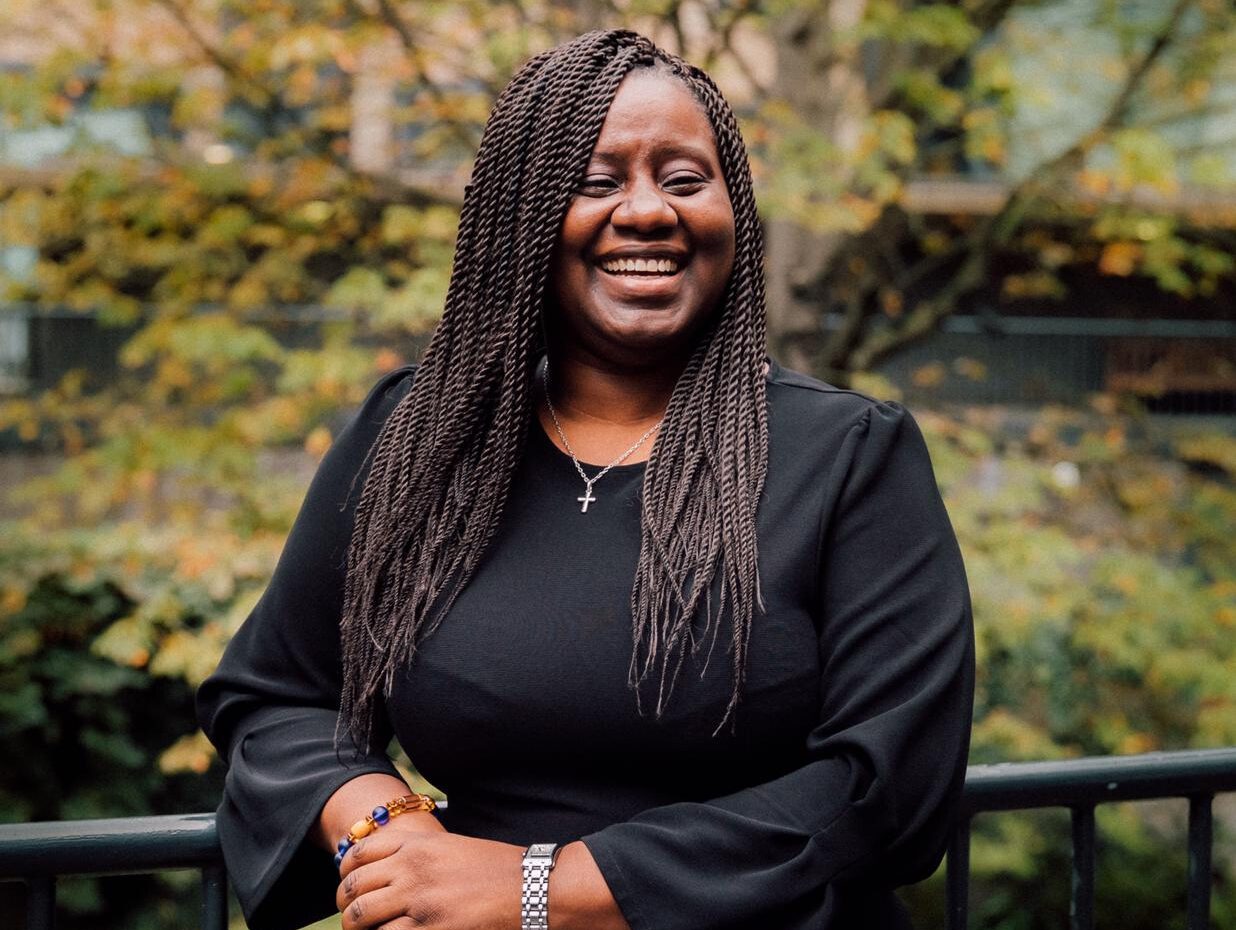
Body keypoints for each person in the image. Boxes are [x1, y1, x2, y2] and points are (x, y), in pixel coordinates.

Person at [197, 28, 974, 930]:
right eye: (596, 180)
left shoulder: (850, 455)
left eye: (684, 180)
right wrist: (386, 823)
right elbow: (274, 693)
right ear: (520, 216)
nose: (647, 211)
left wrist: (539, 890)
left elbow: (890, 788)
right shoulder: (419, 437)